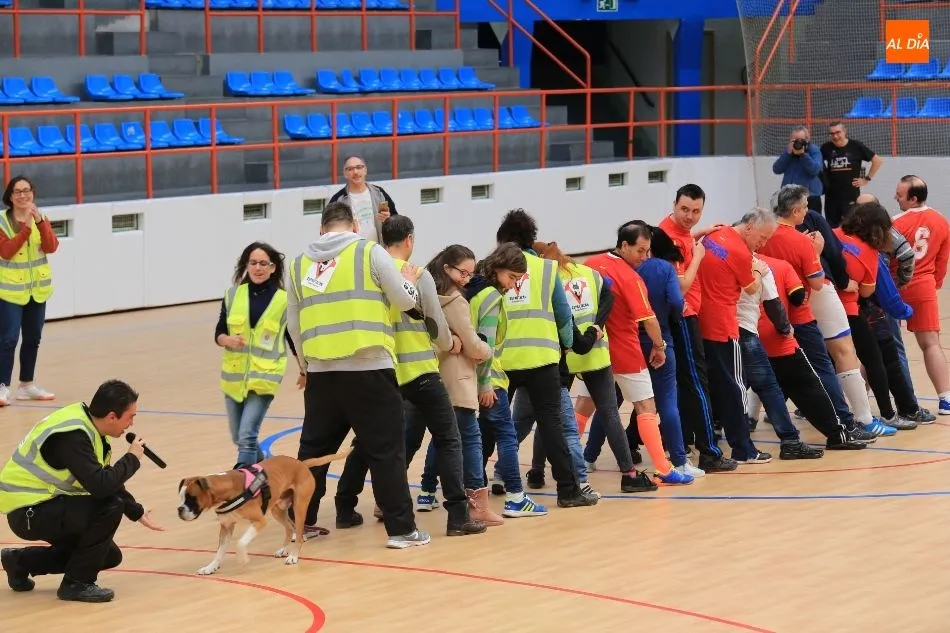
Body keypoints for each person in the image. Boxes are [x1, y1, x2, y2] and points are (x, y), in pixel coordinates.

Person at [286, 202, 431, 549]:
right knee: (386, 451)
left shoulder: (297, 264)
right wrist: (410, 284)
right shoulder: (370, 252)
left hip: (322, 372)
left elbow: (294, 324)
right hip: (369, 367)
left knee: (313, 452)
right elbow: (402, 301)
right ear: (354, 224)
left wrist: (306, 366)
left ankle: (297, 524)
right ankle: (401, 530)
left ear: (322, 228)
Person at [332, 214, 486, 538]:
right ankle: (458, 516)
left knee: (370, 441)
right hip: (420, 372)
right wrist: (451, 343)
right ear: (410, 240)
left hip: (382, 371)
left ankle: (345, 506)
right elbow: (437, 328)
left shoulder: (368, 275)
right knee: (448, 438)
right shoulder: (418, 275)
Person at [0, 380, 164, 603]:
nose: (132, 424)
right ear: (112, 416)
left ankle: (20, 562)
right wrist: (132, 459)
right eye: (130, 417)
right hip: (28, 512)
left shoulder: (88, 427)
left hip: (46, 506)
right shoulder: (73, 436)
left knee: (108, 556)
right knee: (110, 507)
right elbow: (101, 486)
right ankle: (76, 584)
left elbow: (102, 476)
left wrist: (135, 510)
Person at [530, 240, 662, 492]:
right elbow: (608, 299)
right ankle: (629, 475)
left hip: (563, 354)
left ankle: (537, 471)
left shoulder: (544, 279)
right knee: (610, 414)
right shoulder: (589, 273)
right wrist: (596, 328)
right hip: (596, 351)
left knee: (548, 414)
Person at [758, 185, 884, 442]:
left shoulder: (764, 236)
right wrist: (815, 252)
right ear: (794, 210)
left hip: (773, 311)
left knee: (767, 366)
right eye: (804, 208)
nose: (807, 212)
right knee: (834, 358)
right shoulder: (801, 241)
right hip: (805, 306)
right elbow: (817, 280)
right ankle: (855, 421)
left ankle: (752, 417)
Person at [494, 209, 597, 508]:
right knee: (553, 427)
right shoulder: (546, 269)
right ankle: (567, 490)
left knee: (492, 425)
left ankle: (472, 487)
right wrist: (570, 346)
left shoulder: (491, 269)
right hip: (542, 359)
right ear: (531, 239)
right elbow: (564, 318)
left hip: (502, 360)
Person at [585, 222, 694, 483]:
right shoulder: (630, 277)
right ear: (624, 245)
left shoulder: (590, 264)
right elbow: (650, 320)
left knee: (587, 405)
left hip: (593, 349)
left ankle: (579, 464)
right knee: (646, 406)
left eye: (648, 251)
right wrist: (659, 346)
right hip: (624, 349)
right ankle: (665, 469)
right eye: (640, 251)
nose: (645, 257)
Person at [414, 244, 501, 526]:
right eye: (463, 272)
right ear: (447, 268)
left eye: (470, 274)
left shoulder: (420, 295)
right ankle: (477, 505)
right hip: (457, 381)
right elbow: (474, 346)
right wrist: (487, 350)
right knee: (470, 441)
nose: (466, 279)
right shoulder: (455, 301)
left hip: (423, 375)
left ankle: (397, 498)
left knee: (419, 439)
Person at [658, 185, 738, 472]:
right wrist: (700, 255)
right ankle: (710, 452)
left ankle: (660, 443)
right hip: (684, 316)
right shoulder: (674, 241)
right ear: (674, 204)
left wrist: (697, 234)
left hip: (679, 318)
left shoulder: (671, 232)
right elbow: (680, 286)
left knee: (675, 385)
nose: (690, 216)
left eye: (696, 211)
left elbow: (680, 238)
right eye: (685, 210)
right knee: (697, 384)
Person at [751, 256, 867, 451]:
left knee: (758, 387)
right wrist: (785, 326)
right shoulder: (776, 264)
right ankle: (838, 431)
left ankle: (734, 430)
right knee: (807, 384)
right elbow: (798, 296)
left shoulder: (721, 258)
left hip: (737, 335)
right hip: (777, 336)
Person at [467, 244, 548, 516]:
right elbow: (485, 343)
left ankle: (450, 492)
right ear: (498, 268)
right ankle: (515, 496)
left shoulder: (475, 290)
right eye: (512, 278)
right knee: (506, 436)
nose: (514, 285)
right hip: (491, 378)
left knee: (471, 435)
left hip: (472, 375)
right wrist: (486, 383)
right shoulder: (491, 297)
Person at [215, 242, 306, 468]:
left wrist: (305, 370)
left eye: (263, 263)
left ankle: (245, 488)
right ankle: (268, 467)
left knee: (246, 436)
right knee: (239, 437)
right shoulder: (233, 294)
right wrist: (227, 340)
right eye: (253, 263)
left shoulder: (284, 300)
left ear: (273, 268)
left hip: (265, 377)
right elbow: (219, 331)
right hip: (234, 378)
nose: (258, 268)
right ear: (246, 265)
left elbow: (293, 339)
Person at [695, 210, 774, 464]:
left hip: (700, 321)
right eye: (761, 238)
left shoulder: (715, 233)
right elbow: (751, 289)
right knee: (735, 388)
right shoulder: (742, 254)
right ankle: (744, 449)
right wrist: (759, 270)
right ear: (749, 227)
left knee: (706, 387)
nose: (762, 245)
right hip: (724, 327)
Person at [833, 202, 917, 430]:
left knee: (826, 361)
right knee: (879, 359)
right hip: (856, 309)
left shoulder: (834, 234)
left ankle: (833, 413)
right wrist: (906, 312)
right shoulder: (870, 253)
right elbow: (873, 292)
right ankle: (892, 413)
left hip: (823, 308)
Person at [891, 174, 950, 415]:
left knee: (880, 345)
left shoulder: (894, 222)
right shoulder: (941, 221)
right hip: (924, 285)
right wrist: (933, 284)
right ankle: (946, 399)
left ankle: (858, 398)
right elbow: (942, 261)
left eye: (900, 194)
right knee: (931, 344)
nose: (896, 197)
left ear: (913, 198)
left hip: (893, 287)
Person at [0, 176, 58, 406]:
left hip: (37, 289)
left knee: (33, 338)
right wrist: (25, 228)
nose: (23, 195)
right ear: (10, 197)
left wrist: (40, 223)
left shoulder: (41, 217)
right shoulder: (2, 221)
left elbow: (51, 247)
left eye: (27, 190)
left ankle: (27, 385)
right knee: (8, 339)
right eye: (17, 191)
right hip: (10, 291)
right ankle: (3, 386)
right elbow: (7, 251)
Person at [820, 121, 883, 227]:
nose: (835, 136)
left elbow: (877, 161)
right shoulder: (826, 148)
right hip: (831, 197)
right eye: (832, 133)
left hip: (850, 196)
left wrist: (866, 179)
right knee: (832, 228)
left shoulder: (855, 146)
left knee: (850, 226)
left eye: (838, 132)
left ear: (844, 132)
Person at [327, 155, 398, 242]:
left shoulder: (379, 193)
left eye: (359, 167)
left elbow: (396, 221)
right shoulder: (337, 200)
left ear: (365, 170)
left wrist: (388, 219)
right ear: (345, 174)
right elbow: (326, 231)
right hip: (351, 252)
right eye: (350, 169)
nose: (355, 172)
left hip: (377, 251)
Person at [772, 125, 824, 211]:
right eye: (794, 140)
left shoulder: (813, 150)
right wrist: (787, 154)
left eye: (800, 140)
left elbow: (815, 170)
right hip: (789, 196)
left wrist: (803, 155)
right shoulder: (789, 151)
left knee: (811, 223)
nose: (797, 143)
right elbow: (776, 169)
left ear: (807, 140)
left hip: (809, 196)